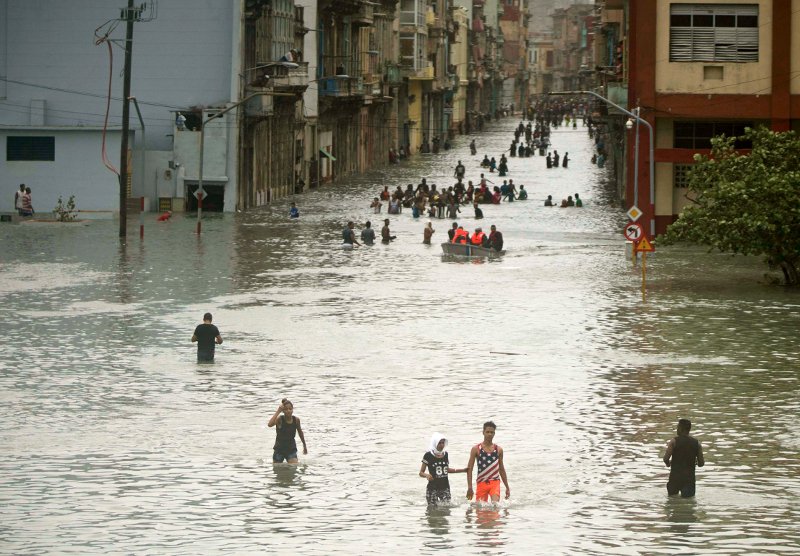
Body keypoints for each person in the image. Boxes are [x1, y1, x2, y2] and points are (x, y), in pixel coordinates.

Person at [466, 421, 510, 503]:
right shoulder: (476, 449)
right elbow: (469, 469)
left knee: (495, 505)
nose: (489, 434)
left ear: (494, 433)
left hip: (495, 482)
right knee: (480, 510)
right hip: (481, 482)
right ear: (483, 432)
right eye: (487, 432)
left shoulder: (498, 449)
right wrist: (470, 487)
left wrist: (507, 487)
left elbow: (501, 469)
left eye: (492, 432)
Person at [419, 433, 466, 506]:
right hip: (432, 488)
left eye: (443, 443)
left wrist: (463, 470)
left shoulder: (445, 454)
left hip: (445, 487)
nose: (441, 445)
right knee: (432, 511)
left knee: (446, 510)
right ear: (435, 443)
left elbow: (447, 470)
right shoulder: (428, 455)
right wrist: (427, 475)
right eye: (439, 443)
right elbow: (421, 473)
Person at [663, 419, 704, 498]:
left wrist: (668, 464)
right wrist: (696, 462)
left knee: (672, 502)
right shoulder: (697, 443)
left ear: (681, 428)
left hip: (675, 478)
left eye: (678, 427)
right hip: (689, 479)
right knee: (688, 504)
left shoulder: (674, 441)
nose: (677, 429)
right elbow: (701, 464)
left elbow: (665, 458)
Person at [268, 398, 308, 464]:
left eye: (290, 409)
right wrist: (278, 411)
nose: (288, 411)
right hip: (279, 449)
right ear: (283, 411)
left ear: (292, 410)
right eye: (286, 409)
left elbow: (300, 433)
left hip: (291, 448)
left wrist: (304, 445)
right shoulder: (280, 419)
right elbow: (269, 424)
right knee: (277, 469)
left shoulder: (296, 420)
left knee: (293, 467)